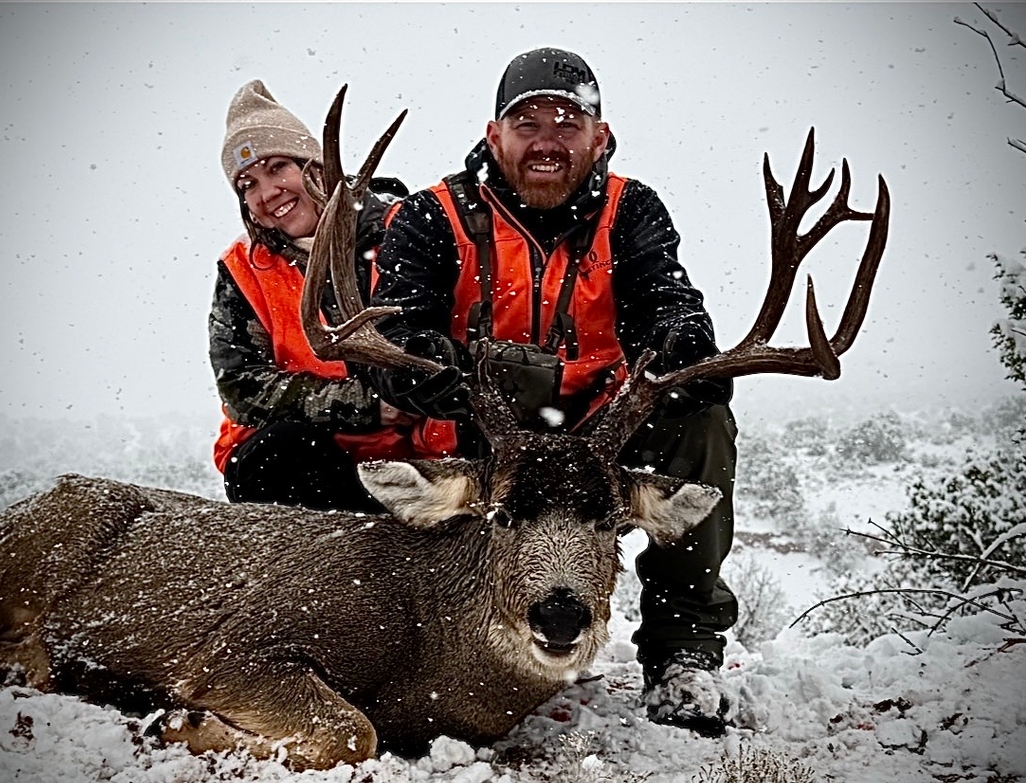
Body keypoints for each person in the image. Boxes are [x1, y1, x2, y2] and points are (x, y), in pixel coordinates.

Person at [369, 48, 739, 736]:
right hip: (486, 438)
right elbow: (392, 331)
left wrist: (685, 342)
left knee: (704, 421)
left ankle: (683, 649)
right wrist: (426, 366)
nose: (546, 141)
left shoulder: (631, 212)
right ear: (493, 136)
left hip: (595, 444)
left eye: (567, 124)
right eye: (527, 122)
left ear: (599, 137)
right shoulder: (433, 217)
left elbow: (666, 296)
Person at [209, 79, 414, 513]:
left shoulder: (404, 230)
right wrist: (366, 408)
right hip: (308, 457)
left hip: (412, 449)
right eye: (247, 184)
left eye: (278, 167)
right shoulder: (243, 270)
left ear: (316, 166)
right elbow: (242, 388)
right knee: (281, 450)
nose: (266, 194)